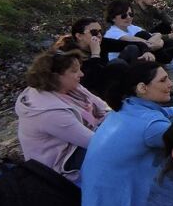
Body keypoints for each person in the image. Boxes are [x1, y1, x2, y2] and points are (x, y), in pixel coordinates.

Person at [80, 61, 173, 206]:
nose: (171, 84)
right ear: (142, 88)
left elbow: (167, 112)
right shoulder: (151, 126)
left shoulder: (127, 106)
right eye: (163, 80)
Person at [16, 50, 108, 182]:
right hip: (58, 167)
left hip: (74, 145)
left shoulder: (70, 88)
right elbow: (96, 143)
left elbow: (104, 108)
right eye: (74, 71)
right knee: (118, 155)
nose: (81, 74)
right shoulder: (50, 112)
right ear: (56, 76)